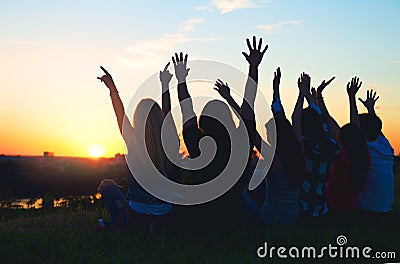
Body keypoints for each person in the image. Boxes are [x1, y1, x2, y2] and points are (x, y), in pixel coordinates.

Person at [172, 36, 268, 224]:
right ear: (229, 120)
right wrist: (253, 68)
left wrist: (181, 80)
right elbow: (249, 102)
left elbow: (186, 107)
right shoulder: (240, 143)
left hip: (201, 217)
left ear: (203, 122)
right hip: (234, 214)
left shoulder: (198, 145)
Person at [96, 64, 180, 227]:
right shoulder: (170, 142)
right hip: (166, 216)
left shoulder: (133, 142)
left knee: (108, 185)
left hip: (136, 217)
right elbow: (168, 113)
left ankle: (115, 223)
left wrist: (112, 89)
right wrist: (165, 87)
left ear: (138, 120)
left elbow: (120, 114)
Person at [241, 67, 306, 225]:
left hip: (270, 221)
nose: (267, 136)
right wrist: (278, 89)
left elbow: (249, 126)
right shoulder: (298, 149)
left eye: (269, 134)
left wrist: (229, 99)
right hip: (292, 218)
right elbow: (293, 117)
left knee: (241, 194)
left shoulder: (273, 158)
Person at [292, 73, 339, 218]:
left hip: (303, 211)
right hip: (321, 210)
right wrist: (311, 97)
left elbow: (295, 118)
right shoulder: (331, 146)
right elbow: (323, 123)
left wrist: (302, 94)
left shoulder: (304, 146)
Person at [326, 77, 370, 214]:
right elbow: (355, 130)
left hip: (334, 207)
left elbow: (349, 128)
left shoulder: (341, 158)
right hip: (351, 206)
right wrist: (351, 97)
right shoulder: (364, 155)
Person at [357, 90, 394, 213]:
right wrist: (370, 108)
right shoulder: (387, 149)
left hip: (367, 208)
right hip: (385, 208)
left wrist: (351, 98)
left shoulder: (365, 149)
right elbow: (376, 129)